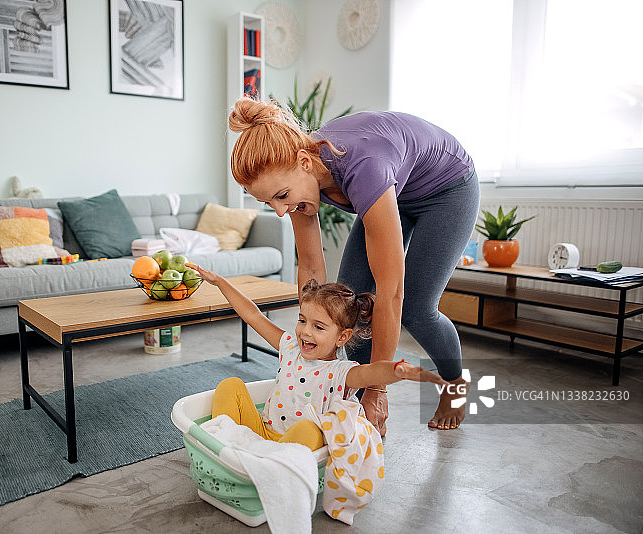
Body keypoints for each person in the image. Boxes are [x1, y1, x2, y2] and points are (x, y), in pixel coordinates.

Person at [228, 98, 480, 434]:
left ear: (305, 162)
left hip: (447, 188)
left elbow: (391, 293)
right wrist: (308, 336)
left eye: (282, 196)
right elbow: (312, 272)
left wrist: (379, 389)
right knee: (348, 306)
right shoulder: (297, 177)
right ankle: (358, 406)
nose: (279, 210)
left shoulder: (364, 168)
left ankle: (454, 386)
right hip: (394, 190)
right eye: (269, 201)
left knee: (417, 308)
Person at [189, 263, 447, 451]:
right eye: (302, 320)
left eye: (318, 327)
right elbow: (254, 315)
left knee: (309, 430)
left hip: (296, 447)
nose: (305, 332)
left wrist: (396, 371)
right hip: (260, 432)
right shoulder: (289, 346)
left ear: (342, 337)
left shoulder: (341, 372)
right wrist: (220, 282)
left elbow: (372, 373)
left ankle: (273, 465)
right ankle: (224, 447)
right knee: (230, 386)